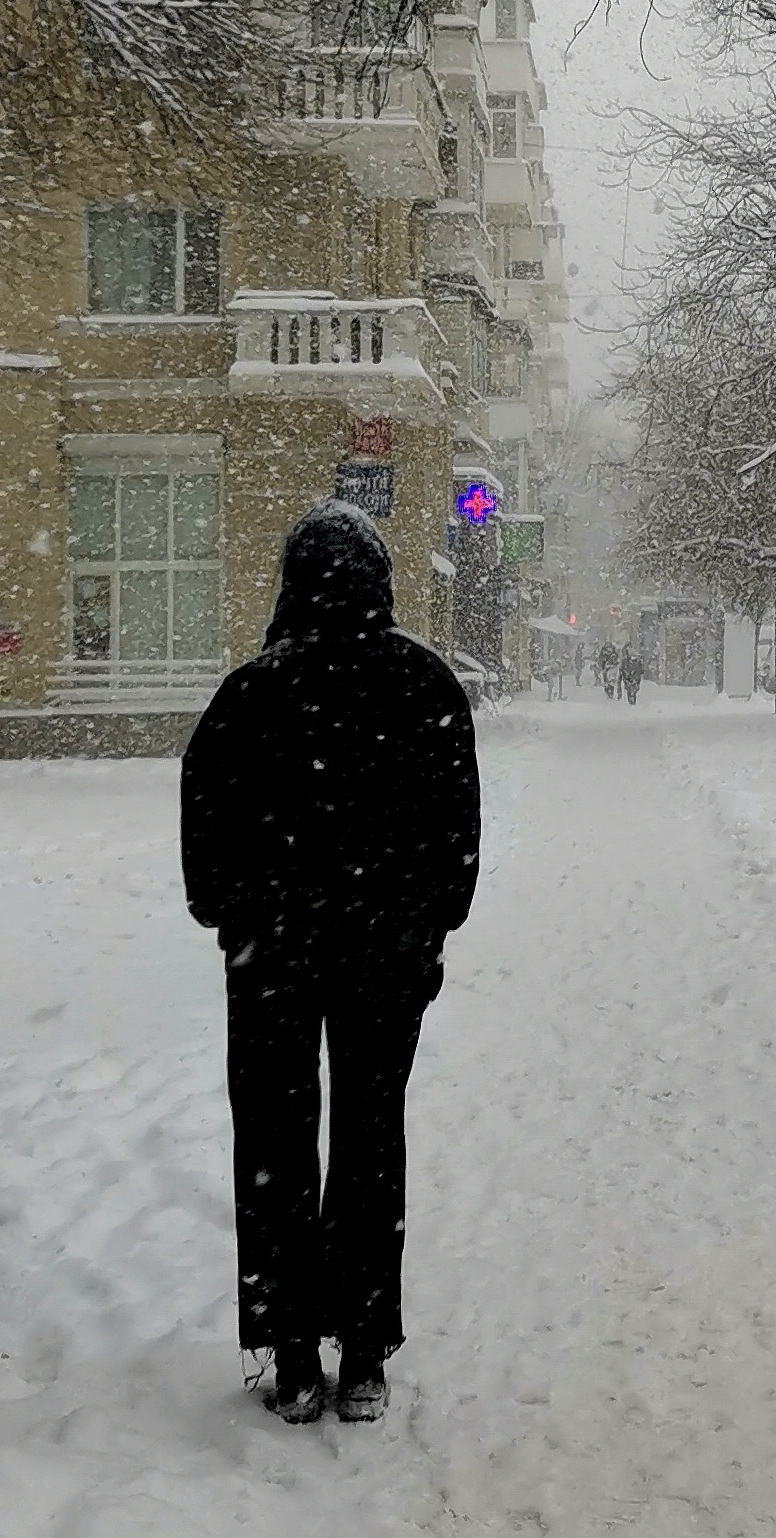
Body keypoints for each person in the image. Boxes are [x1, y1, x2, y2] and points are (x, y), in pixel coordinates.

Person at [181, 502, 479, 1427]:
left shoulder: (249, 693)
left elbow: (204, 842)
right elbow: (457, 841)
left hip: (272, 954)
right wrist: (422, 925)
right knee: (369, 1140)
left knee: (273, 1142)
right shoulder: (425, 683)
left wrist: (241, 913)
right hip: (383, 957)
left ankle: (294, 1352)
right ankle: (362, 1351)